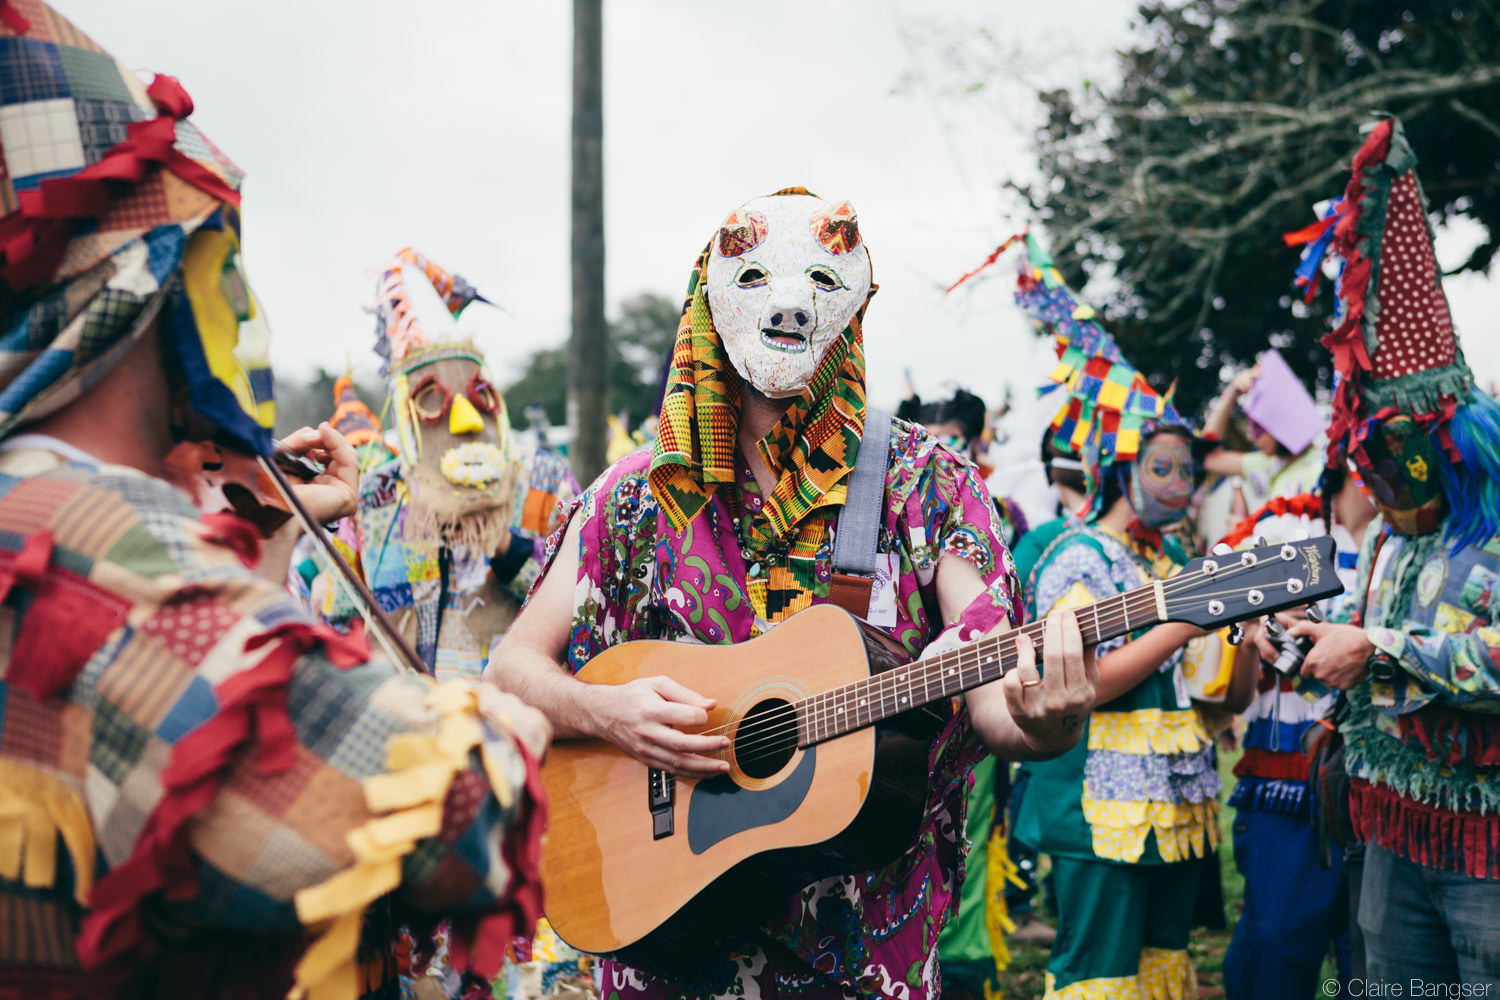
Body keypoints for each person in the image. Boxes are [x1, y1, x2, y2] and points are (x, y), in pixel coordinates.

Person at [0, 10, 549, 998]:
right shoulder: (114, 561)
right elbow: (461, 819)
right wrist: (512, 714)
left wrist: (270, 526)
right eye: (223, 258)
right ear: (159, 280)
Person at [488, 189, 1098, 999]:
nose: (787, 306)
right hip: (661, 937)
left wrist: (1045, 722)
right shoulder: (631, 498)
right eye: (756, 279)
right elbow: (512, 669)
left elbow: (989, 691)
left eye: (818, 278)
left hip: (862, 948)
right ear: (709, 297)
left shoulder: (924, 482)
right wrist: (603, 713)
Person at [1274, 116, 1500, 988]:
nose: (1380, 473)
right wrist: (1310, 633)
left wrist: (1381, 648)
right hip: (1391, 826)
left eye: (1398, 451)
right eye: (1368, 454)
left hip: (1487, 847)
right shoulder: (1386, 537)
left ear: (1446, 438)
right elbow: (1366, 628)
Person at [1004, 233, 1259, 1000]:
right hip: (1098, 806)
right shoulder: (1079, 555)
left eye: (1188, 468)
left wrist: (1244, 634)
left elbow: (1224, 701)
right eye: (1162, 467)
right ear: (1121, 467)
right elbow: (1083, 682)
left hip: (1177, 801)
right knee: (1101, 979)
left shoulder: (1173, 565)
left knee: (1163, 972)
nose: (1181, 483)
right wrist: (1186, 619)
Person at [306, 249, 579, 681]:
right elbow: (340, 619)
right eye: (433, 399)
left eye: (478, 395)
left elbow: (585, 608)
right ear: (405, 411)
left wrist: (506, 549)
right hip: (410, 726)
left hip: (519, 723)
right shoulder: (376, 496)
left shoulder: (543, 482)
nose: (464, 419)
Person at [1219, 464, 1374, 999]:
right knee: (1277, 948)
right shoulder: (1283, 529)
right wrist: (1255, 628)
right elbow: (1228, 647)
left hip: (1388, 788)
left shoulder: (1422, 537)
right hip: (1289, 785)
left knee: (1378, 964)